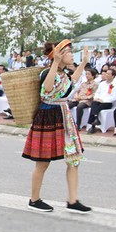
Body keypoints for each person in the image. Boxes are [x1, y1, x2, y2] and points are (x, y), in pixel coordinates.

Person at [22, 39, 91, 214]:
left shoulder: (64, 75)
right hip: (48, 116)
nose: (71, 54)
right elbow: (47, 88)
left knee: (73, 159)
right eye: (68, 51)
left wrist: (83, 62)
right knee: (43, 162)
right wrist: (56, 62)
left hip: (64, 115)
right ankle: (34, 199)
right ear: (58, 55)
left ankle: (73, 200)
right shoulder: (47, 73)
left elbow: (72, 82)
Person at [86, 69, 116, 134]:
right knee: (94, 103)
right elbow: (97, 92)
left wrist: (103, 100)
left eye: (108, 74)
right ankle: (96, 120)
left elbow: (114, 97)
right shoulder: (102, 84)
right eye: (106, 73)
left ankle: (93, 124)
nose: (106, 75)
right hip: (98, 101)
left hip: (107, 103)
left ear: (113, 76)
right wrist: (97, 98)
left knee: (97, 107)